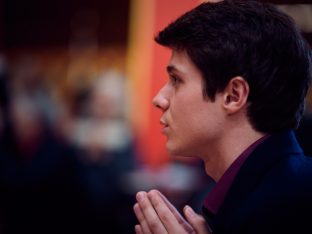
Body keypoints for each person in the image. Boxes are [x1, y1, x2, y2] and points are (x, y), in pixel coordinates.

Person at [133, 0, 312, 233]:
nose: (159, 99)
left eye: (176, 80)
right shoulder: (270, 193)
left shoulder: (293, 204)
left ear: (233, 95)